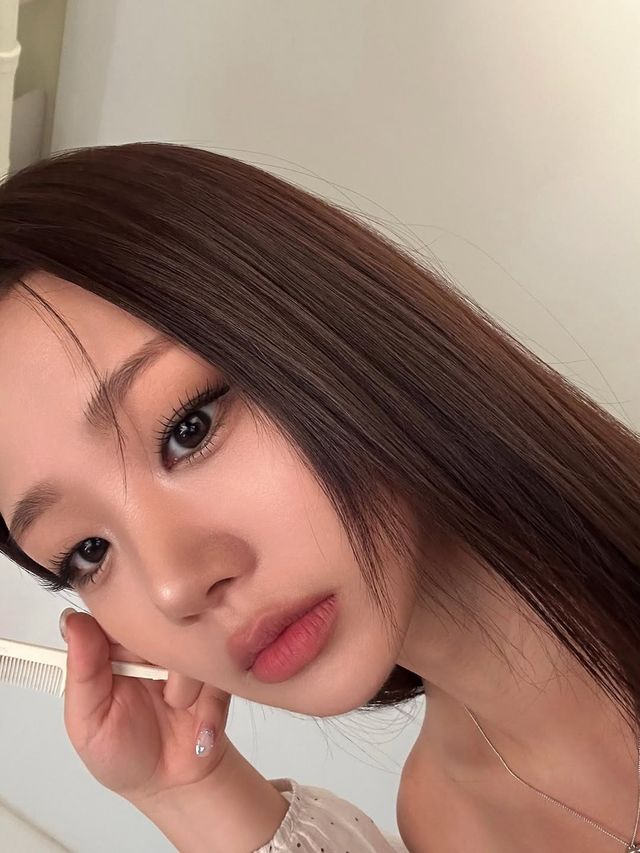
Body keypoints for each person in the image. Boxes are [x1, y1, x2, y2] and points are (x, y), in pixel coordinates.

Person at [0, 143, 639, 853]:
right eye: (88, 551)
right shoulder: (447, 818)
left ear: (324, 322)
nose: (174, 586)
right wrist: (184, 789)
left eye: (189, 427)